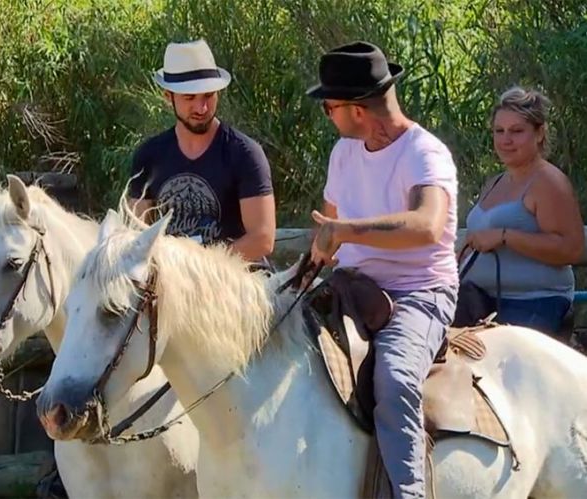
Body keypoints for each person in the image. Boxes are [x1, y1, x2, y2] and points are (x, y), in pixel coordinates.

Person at [307, 41, 458, 498]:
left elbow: (427, 226)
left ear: (355, 110)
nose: (327, 115)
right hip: (350, 285)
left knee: (393, 380)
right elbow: (329, 233)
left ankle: (408, 494)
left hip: (419, 292)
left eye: (329, 106)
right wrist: (308, 265)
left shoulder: (423, 153)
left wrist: (346, 231)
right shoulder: (343, 154)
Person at [128, 39, 275, 263]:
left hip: (234, 282)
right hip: (168, 284)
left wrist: (198, 268)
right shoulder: (148, 156)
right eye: (189, 98)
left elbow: (263, 238)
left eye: (208, 96)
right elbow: (136, 234)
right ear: (169, 97)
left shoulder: (244, 153)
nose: (201, 108)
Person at [461, 86, 584, 337]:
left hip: (534, 301)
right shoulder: (494, 182)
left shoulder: (548, 182)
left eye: (517, 131)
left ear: (539, 133)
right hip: (480, 300)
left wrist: (505, 236)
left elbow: (573, 249)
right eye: (499, 131)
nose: (505, 140)